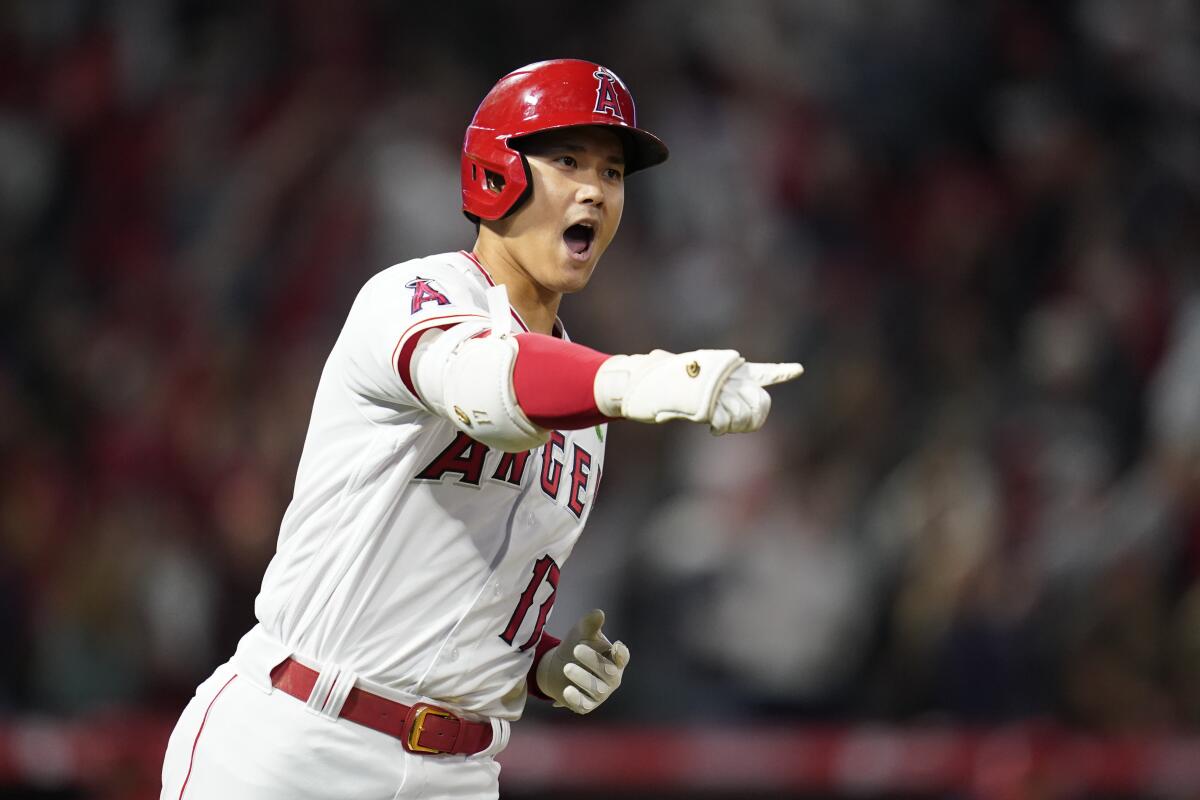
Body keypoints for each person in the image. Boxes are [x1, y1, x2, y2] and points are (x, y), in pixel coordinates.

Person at [160, 58, 802, 800]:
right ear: (498, 172)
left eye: (613, 173)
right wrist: (630, 378)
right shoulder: (411, 295)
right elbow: (486, 387)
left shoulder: (585, 417)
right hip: (299, 739)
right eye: (567, 160)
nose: (595, 188)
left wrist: (539, 666)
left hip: (459, 772)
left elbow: (470, 593)